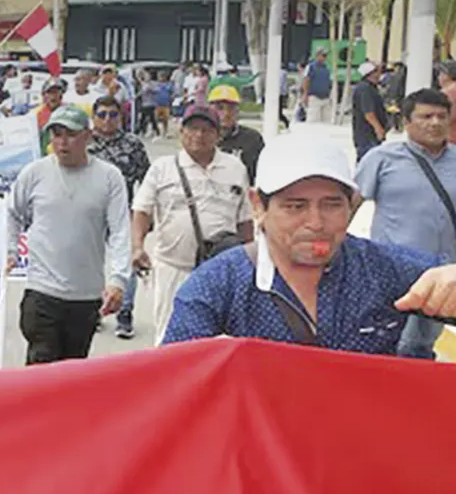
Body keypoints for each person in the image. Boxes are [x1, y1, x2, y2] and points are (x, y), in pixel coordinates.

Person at [163, 133, 456, 353]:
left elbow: (442, 281)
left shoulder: (384, 268)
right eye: (295, 206)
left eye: (331, 205)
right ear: (257, 205)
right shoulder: (217, 284)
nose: (315, 223)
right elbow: (174, 378)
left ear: (352, 203)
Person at [7, 105, 130, 363]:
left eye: (71, 135)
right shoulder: (34, 173)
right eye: (57, 134)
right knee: (41, 362)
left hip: (84, 295)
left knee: (73, 368)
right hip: (41, 291)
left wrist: (118, 280)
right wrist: (10, 251)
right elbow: (12, 213)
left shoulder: (109, 177)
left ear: (87, 136)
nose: (63, 143)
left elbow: (120, 231)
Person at [132, 105, 254, 343]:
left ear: (218, 135)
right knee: (169, 336)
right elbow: (142, 211)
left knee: (216, 338)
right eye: (193, 129)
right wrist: (137, 246)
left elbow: (245, 219)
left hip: (221, 271)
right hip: (174, 267)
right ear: (181, 132)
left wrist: (250, 263)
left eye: (207, 130)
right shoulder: (162, 168)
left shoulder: (235, 168)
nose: (199, 135)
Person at [356, 88, 456, 359]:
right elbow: (348, 207)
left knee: (419, 346)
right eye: (426, 116)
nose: (435, 123)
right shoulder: (382, 159)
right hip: (389, 272)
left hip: (441, 275)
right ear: (407, 122)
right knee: (384, 344)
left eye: (441, 116)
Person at [87, 96, 151, 339]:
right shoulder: (84, 142)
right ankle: (95, 309)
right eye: (102, 114)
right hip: (90, 213)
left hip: (122, 212)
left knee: (126, 264)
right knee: (91, 263)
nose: (107, 120)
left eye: (113, 114)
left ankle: (125, 312)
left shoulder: (132, 144)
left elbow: (146, 180)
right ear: (94, 118)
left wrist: (143, 214)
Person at [209, 84, 264, 184]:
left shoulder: (252, 139)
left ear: (237, 111)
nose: (226, 114)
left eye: (231, 108)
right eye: (220, 108)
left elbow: (259, 174)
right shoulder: (201, 137)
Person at [350, 61, 388, 162]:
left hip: (369, 136)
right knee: (368, 162)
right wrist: (378, 129)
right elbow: (369, 113)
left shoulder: (370, 88)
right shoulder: (365, 89)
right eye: (377, 71)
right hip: (367, 135)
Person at [302, 48, 333, 123]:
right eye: (323, 55)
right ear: (318, 55)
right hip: (314, 97)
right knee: (313, 121)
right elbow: (306, 80)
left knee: (327, 122)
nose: (325, 58)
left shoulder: (326, 68)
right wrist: (305, 94)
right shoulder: (311, 67)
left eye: (326, 56)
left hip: (326, 97)